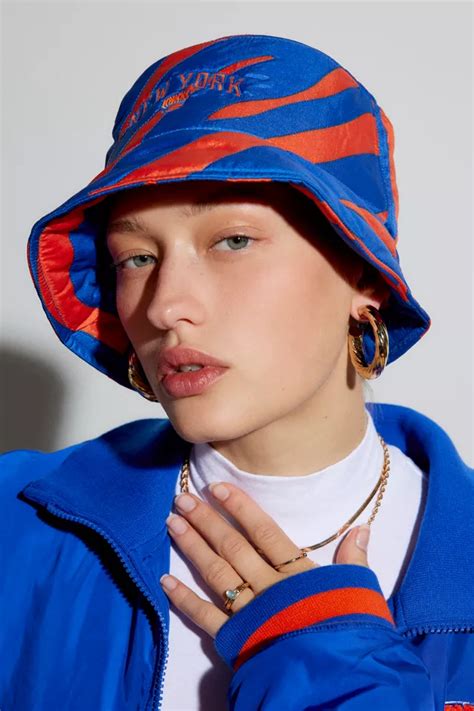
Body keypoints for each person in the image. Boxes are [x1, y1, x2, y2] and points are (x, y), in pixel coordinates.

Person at [1, 33, 473, 711]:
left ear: (364, 273)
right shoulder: (16, 530)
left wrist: (336, 675)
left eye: (232, 240)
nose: (164, 306)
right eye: (136, 258)